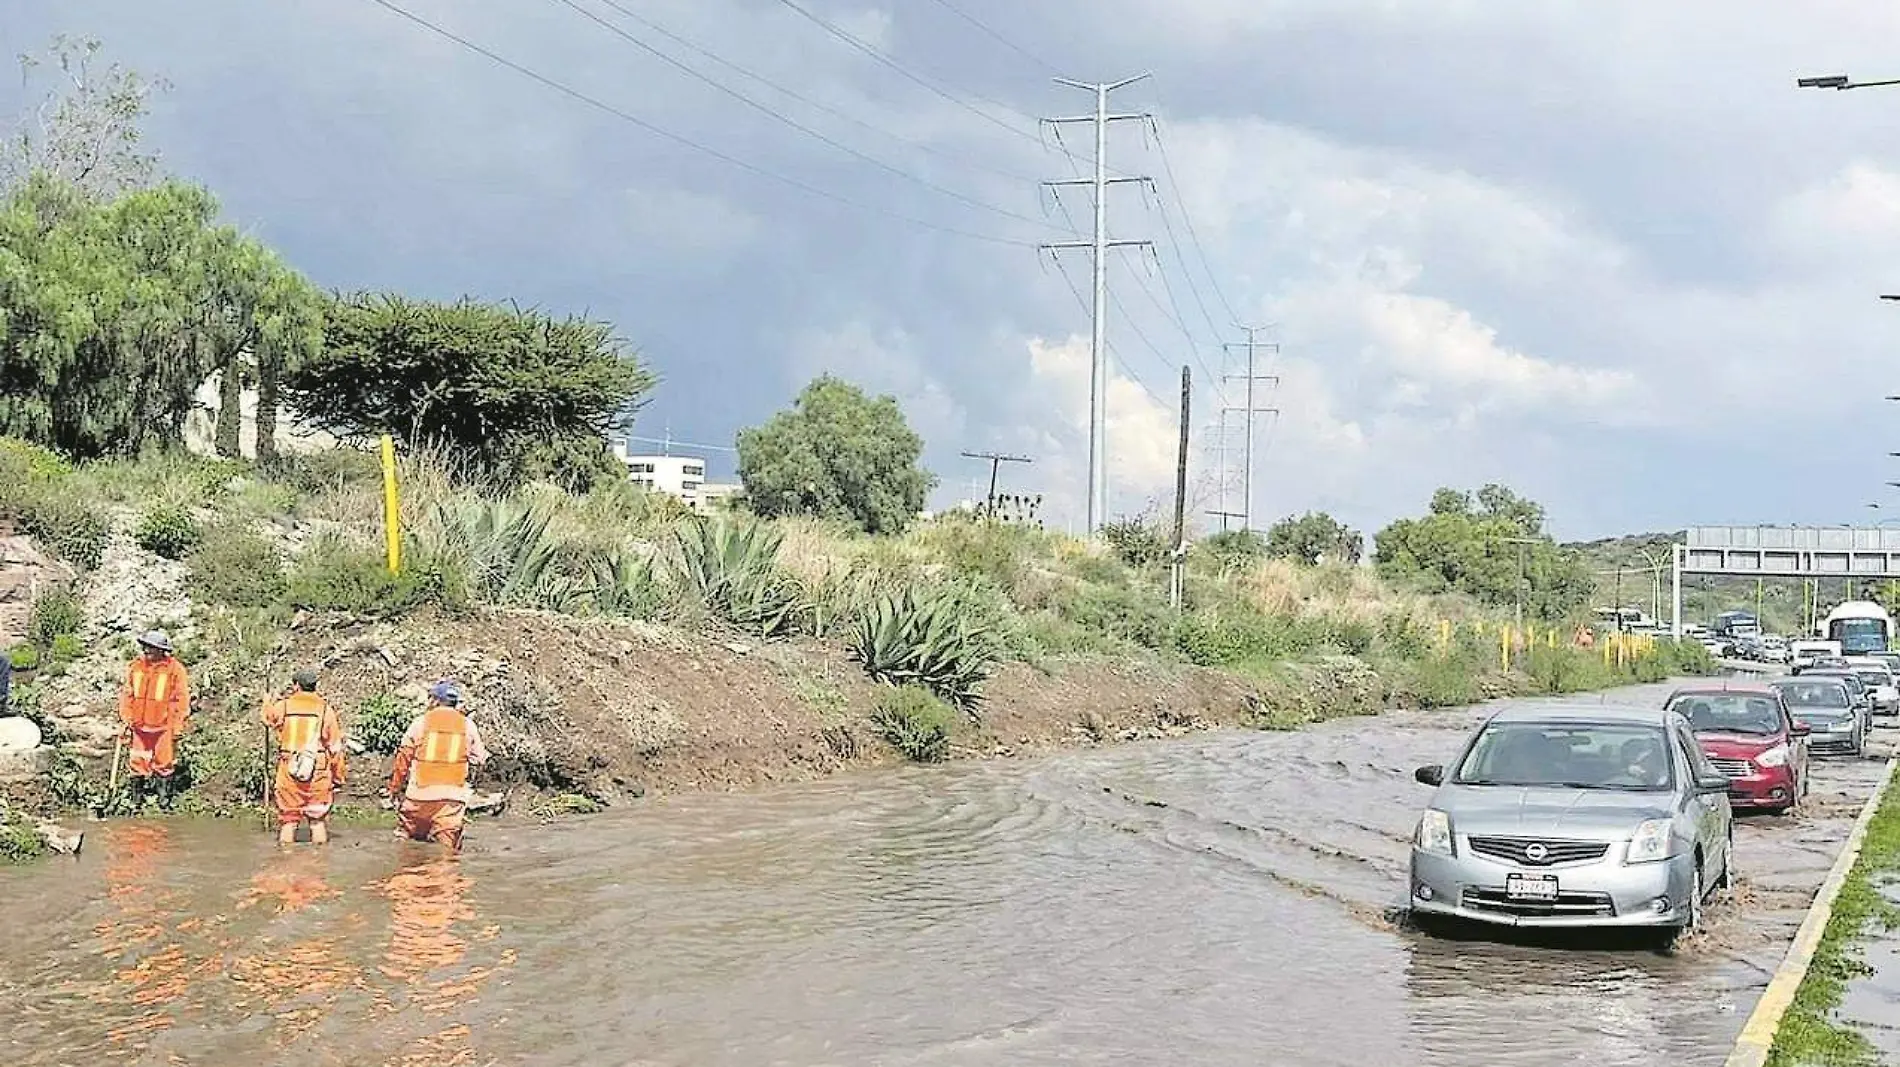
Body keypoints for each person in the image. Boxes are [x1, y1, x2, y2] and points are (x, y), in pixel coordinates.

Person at [384, 681, 487, 851]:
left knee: (405, 845)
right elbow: (480, 759)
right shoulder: (468, 725)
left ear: (435, 701)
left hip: (418, 796)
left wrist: (394, 789)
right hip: (451, 799)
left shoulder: (420, 723)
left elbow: (403, 761)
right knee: (446, 854)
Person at [261, 668, 347, 846]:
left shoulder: (284, 706)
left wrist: (267, 702)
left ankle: (286, 864)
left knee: (289, 820)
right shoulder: (325, 710)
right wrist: (338, 777)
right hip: (318, 770)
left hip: (289, 769)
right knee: (317, 821)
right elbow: (335, 748)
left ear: (296, 686)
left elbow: (268, 719)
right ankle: (318, 865)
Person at [119, 630, 191, 810]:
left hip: (163, 725)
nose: (146, 650)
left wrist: (178, 725)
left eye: (151, 647)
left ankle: (164, 801)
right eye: (145, 646)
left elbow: (181, 699)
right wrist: (126, 717)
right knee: (137, 762)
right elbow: (127, 694)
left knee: (164, 763)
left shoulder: (174, 670)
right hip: (139, 725)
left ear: (161, 650)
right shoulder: (136, 667)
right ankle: (136, 801)